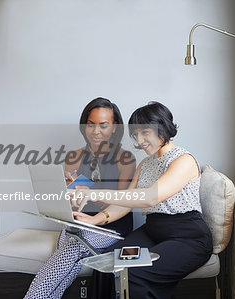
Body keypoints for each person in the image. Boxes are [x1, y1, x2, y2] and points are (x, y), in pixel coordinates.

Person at [72, 101, 213, 299]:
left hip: (187, 237)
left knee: (133, 273)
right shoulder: (145, 164)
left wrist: (96, 193)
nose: (140, 140)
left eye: (145, 132)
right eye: (135, 135)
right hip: (153, 231)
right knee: (105, 263)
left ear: (162, 127)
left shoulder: (183, 160)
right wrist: (94, 220)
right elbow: (125, 202)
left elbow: (149, 198)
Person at [24, 97, 135, 299]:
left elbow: (121, 203)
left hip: (111, 225)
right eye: (90, 124)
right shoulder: (73, 157)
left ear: (114, 127)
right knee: (72, 258)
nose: (95, 131)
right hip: (78, 223)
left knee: (73, 246)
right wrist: (69, 193)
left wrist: (88, 190)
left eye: (103, 125)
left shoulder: (124, 159)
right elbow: (69, 204)